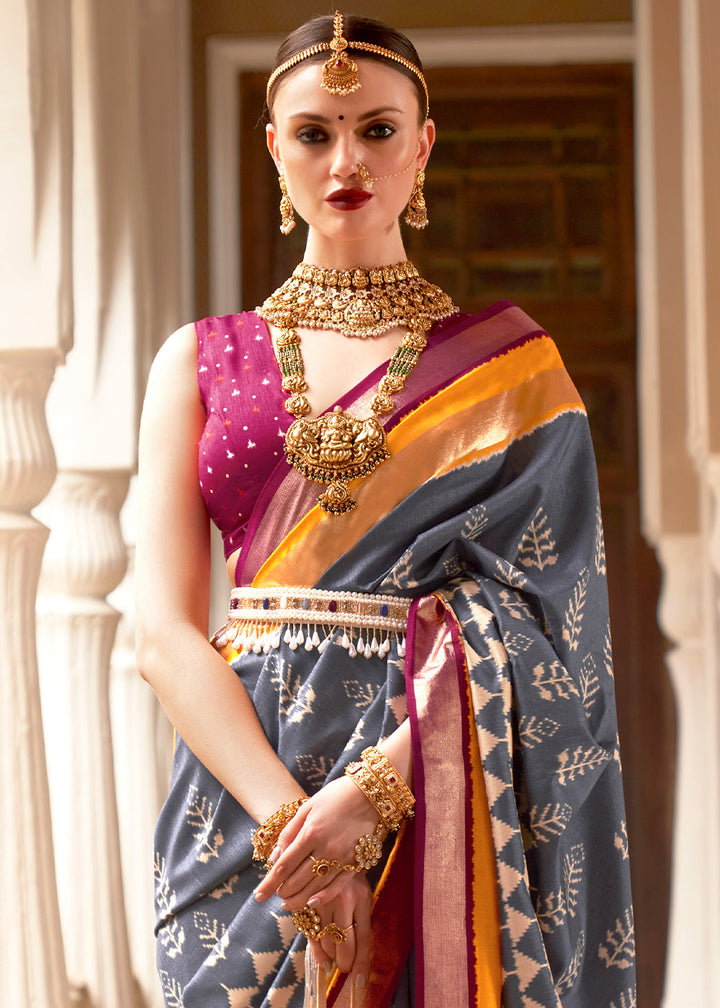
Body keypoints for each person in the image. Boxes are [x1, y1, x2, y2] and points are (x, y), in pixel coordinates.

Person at [136, 12, 636, 1008]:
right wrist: (298, 835)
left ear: (423, 145)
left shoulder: (512, 371)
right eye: (314, 132)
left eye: (376, 129)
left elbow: (552, 629)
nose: (346, 161)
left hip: (439, 795)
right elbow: (162, 632)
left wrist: (375, 795)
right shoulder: (199, 360)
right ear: (273, 148)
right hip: (241, 812)